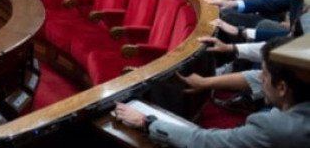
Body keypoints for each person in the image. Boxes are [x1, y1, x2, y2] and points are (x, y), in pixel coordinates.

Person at [113, 37, 310, 148]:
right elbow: (255, 75)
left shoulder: (276, 128)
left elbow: (205, 142)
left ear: (283, 88)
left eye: (265, 75)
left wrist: (147, 122)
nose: (260, 79)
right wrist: (207, 82)